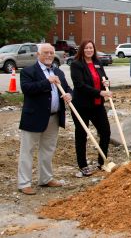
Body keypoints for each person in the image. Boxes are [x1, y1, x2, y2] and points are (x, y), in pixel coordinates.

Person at [17, 43, 72, 195]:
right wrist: (47, 82)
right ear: (38, 55)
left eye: (51, 53)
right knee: (27, 151)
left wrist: (69, 95)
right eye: (45, 53)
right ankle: (24, 183)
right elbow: (27, 89)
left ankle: (46, 178)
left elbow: (67, 88)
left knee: (48, 150)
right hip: (34, 117)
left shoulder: (58, 72)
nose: (49, 55)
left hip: (53, 117)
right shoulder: (29, 71)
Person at [71, 40, 112, 176]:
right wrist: (99, 92)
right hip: (81, 105)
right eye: (86, 48)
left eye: (91, 48)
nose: (89, 50)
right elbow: (80, 85)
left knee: (105, 131)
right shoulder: (76, 65)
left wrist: (106, 83)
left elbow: (102, 80)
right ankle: (83, 165)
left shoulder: (97, 63)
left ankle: (102, 161)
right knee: (82, 134)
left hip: (97, 105)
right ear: (82, 50)